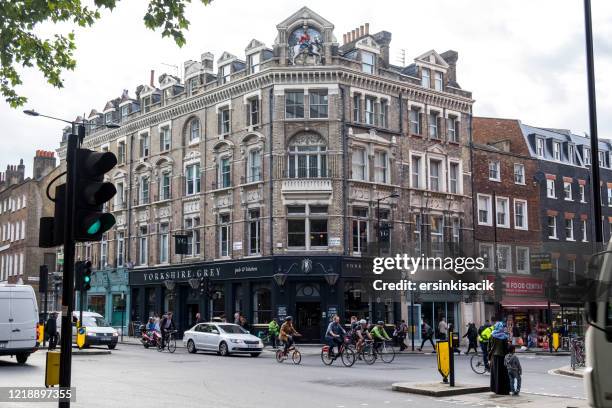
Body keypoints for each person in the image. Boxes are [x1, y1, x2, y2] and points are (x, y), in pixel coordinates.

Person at [488, 321, 510, 395]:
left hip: (494, 356)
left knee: (495, 373)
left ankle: (496, 389)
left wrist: (489, 357)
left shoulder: (492, 335)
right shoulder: (504, 336)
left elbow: (489, 347)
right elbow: (506, 348)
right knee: (503, 374)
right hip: (503, 357)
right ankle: (503, 390)